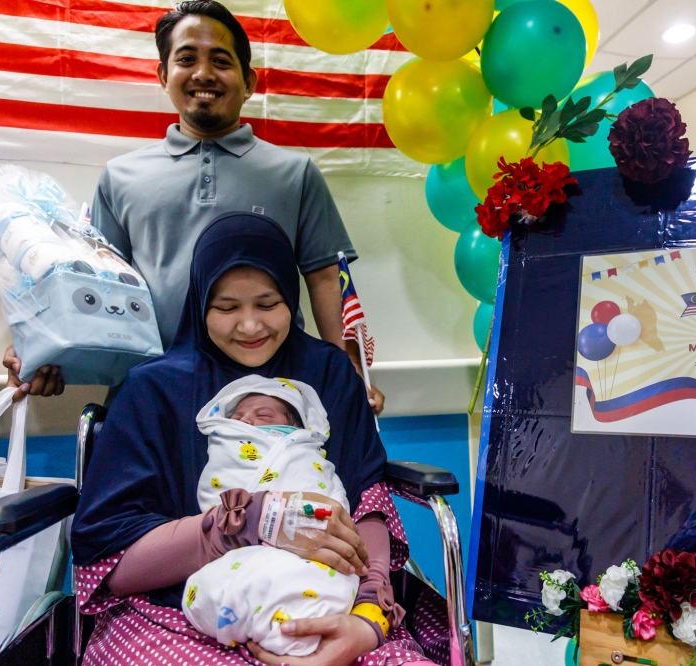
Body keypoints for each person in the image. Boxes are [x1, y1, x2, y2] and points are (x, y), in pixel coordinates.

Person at [70, 213, 440, 666]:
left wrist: (366, 623)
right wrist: (246, 522)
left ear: (291, 296)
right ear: (200, 302)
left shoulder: (329, 374)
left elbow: (367, 503)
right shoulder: (152, 391)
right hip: (175, 616)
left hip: (331, 605)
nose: (249, 326)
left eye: (267, 304)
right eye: (226, 308)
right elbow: (111, 565)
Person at [4, 0, 382, 411]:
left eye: (221, 60)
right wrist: (45, 346)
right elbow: (95, 283)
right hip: (153, 398)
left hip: (272, 402)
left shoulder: (295, 173)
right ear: (164, 76)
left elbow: (328, 280)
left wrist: (349, 377)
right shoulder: (120, 176)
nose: (203, 73)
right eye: (186, 59)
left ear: (249, 81)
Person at [184, 375, 392, 657]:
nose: (245, 421)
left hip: (311, 558)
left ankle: (295, 626)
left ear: (294, 427)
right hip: (239, 552)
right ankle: (273, 624)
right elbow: (215, 494)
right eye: (236, 416)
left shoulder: (305, 448)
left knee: (318, 572)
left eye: (263, 415)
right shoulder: (222, 440)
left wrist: (370, 615)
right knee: (205, 586)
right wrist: (261, 517)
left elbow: (335, 509)